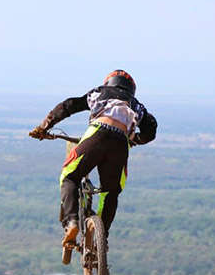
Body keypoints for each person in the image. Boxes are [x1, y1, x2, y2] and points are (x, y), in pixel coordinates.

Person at [29, 70, 157, 260]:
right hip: (121, 143)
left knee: (70, 176)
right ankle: (101, 238)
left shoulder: (99, 92)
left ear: (109, 82)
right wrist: (134, 139)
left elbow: (68, 105)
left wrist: (44, 127)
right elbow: (151, 129)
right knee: (111, 192)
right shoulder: (137, 106)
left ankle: (72, 223)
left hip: (98, 132)